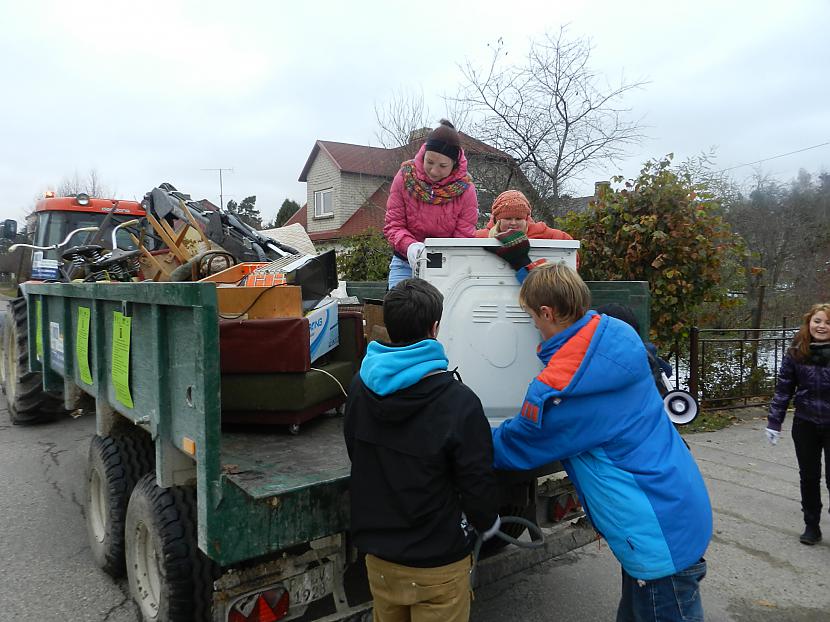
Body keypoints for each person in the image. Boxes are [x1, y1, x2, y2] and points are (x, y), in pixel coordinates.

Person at [488, 261, 712, 622]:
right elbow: (561, 306)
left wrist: (457, 432)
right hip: (674, 503)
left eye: (531, 314)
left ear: (547, 313)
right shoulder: (615, 336)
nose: (531, 323)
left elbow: (516, 445)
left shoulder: (564, 394)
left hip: (654, 532)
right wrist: (526, 271)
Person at [343, 278, 500, 622]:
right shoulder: (458, 401)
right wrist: (487, 522)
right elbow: (476, 482)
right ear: (435, 327)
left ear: (389, 326)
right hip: (437, 563)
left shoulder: (359, 387)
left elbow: (357, 452)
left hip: (380, 561)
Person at [383, 120, 478, 289]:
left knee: (440, 313)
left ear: (454, 164)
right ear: (423, 153)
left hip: (445, 264)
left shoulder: (466, 190)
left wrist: (437, 257)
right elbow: (393, 224)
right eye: (430, 162)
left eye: (442, 166)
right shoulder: (405, 176)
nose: (434, 171)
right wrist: (410, 246)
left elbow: (463, 237)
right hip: (405, 260)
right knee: (398, 310)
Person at [766, 302, 830, 545]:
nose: (821, 326)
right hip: (806, 423)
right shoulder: (796, 352)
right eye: (817, 321)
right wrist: (774, 421)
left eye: (827, 322)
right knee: (809, 476)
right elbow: (784, 388)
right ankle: (811, 525)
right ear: (809, 323)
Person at [474, 189, 573, 241]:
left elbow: (571, 253)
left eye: (518, 218)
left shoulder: (545, 234)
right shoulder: (479, 237)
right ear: (498, 219)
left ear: (526, 219)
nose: (513, 223)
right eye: (508, 218)